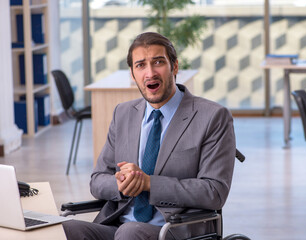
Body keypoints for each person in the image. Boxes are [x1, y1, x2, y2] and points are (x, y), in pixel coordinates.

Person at [63, 32, 236, 240]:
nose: (150, 72)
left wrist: (148, 184)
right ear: (132, 74)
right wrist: (123, 183)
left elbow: (214, 192)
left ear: (175, 66)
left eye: (158, 62)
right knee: (65, 228)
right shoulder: (123, 113)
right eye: (141, 65)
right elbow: (98, 180)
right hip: (118, 226)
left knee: (131, 232)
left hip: (176, 230)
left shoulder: (212, 116)